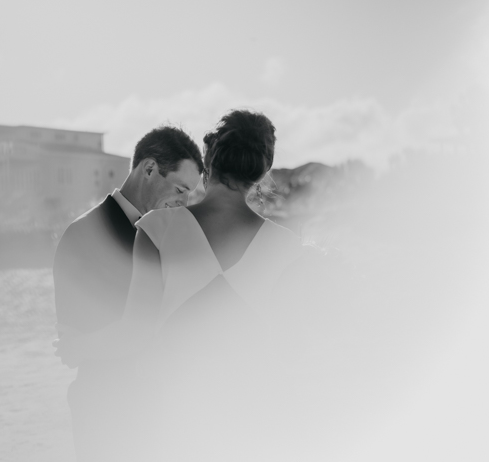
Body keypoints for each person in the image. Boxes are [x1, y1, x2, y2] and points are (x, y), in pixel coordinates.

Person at [55, 110, 306, 461]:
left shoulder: (159, 229)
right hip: (251, 420)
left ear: (209, 161)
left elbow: (134, 332)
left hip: (176, 422)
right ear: (262, 172)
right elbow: (292, 348)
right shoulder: (289, 247)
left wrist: (78, 346)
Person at [52, 125, 203, 462]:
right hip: (107, 414)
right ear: (149, 169)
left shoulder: (171, 235)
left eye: (190, 194)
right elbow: (75, 344)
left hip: (163, 413)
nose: (184, 202)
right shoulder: (83, 235)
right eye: (180, 189)